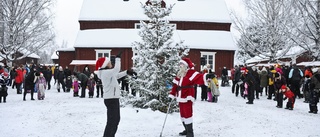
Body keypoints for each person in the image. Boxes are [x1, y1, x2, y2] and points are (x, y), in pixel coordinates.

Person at [95, 54, 134, 137]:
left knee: (115, 120)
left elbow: (117, 75)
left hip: (113, 98)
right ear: (105, 65)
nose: (110, 63)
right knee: (112, 121)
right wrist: (118, 59)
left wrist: (127, 72)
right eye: (108, 62)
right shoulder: (105, 72)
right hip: (111, 99)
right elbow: (116, 70)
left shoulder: (108, 73)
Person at [169, 57, 209, 137]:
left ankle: (190, 132)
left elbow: (199, 77)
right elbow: (175, 86)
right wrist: (172, 95)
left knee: (188, 114)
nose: (180, 66)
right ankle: (186, 130)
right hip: (180, 96)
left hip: (187, 96)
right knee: (182, 114)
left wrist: (207, 76)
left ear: (186, 66)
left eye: (182, 64)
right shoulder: (179, 74)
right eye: (180, 64)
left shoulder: (191, 73)